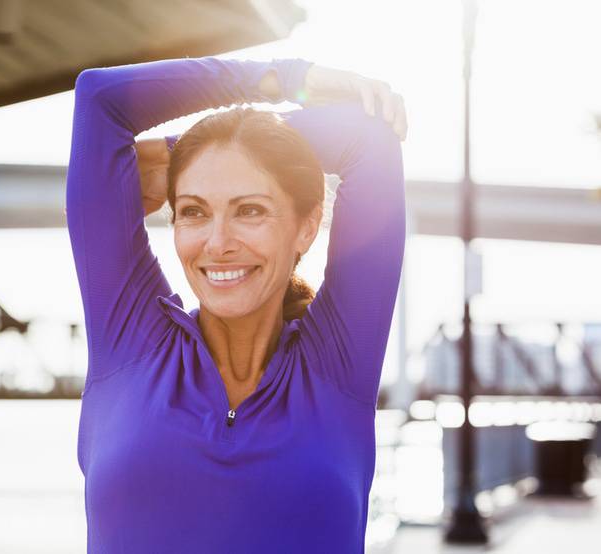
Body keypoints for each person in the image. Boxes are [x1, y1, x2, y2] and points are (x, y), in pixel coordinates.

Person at [65, 55, 407, 552]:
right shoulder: (129, 341)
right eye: (194, 211)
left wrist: (214, 146)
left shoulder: (338, 365)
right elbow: (98, 98)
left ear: (307, 226)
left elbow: (370, 139)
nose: (218, 242)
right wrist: (280, 84)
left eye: (250, 210)